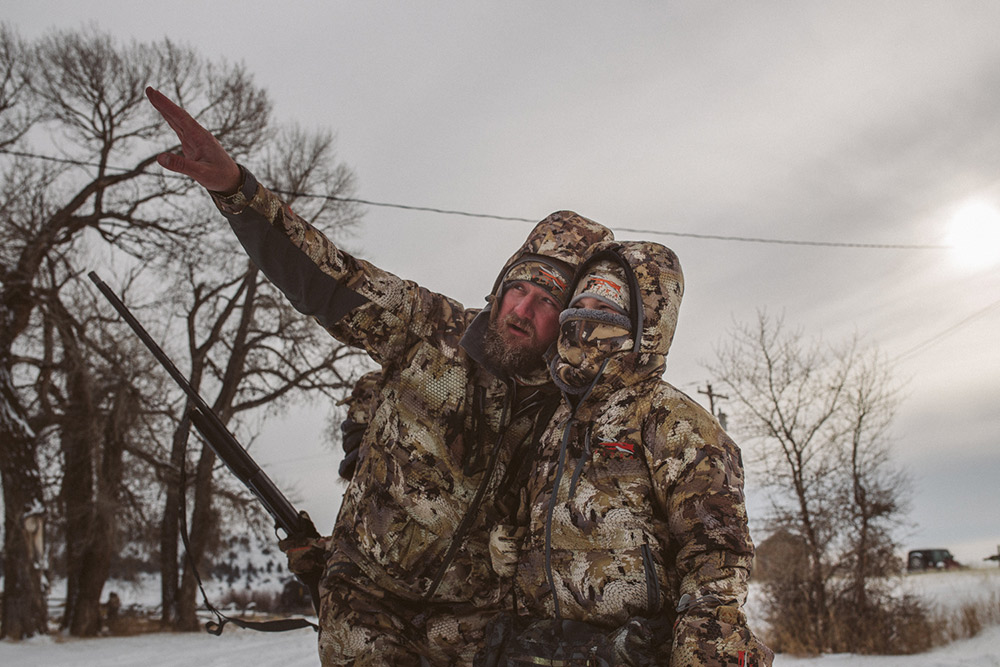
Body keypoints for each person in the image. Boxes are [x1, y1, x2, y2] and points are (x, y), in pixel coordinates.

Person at [145, 86, 614, 665]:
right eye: (518, 286)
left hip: (474, 630)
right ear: (499, 286)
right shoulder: (430, 330)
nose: (521, 309)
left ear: (569, 320)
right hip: (365, 602)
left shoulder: (577, 408)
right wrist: (237, 191)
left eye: (546, 299)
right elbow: (329, 277)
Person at [482, 241, 773, 666]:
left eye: (604, 306)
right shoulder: (555, 413)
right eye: (579, 302)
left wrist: (703, 648)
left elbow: (716, 558)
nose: (586, 318)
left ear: (645, 322)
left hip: (633, 652)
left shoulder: (672, 419)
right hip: (543, 650)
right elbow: (524, 505)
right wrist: (506, 538)